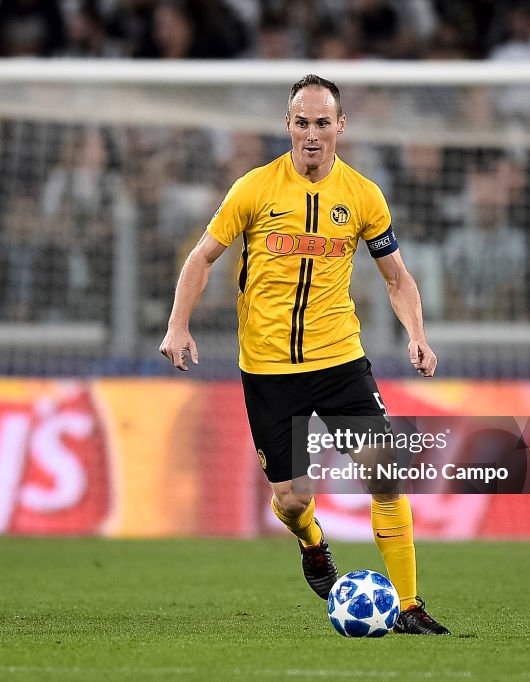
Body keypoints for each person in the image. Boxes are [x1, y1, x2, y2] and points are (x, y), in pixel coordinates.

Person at [159, 75, 449, 635]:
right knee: (293, 501)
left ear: (340, 126)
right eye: (302, 122)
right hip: (268, 369)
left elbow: (396, 277)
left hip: (339, 359)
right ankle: (313, 544)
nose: (312, 134)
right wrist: (178, 325)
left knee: (385, 471)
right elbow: (201, 260)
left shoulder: (363, 195)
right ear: (287, 125)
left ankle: (410, 606)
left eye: (322, 122)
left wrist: (417, 332)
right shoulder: (254, 189)